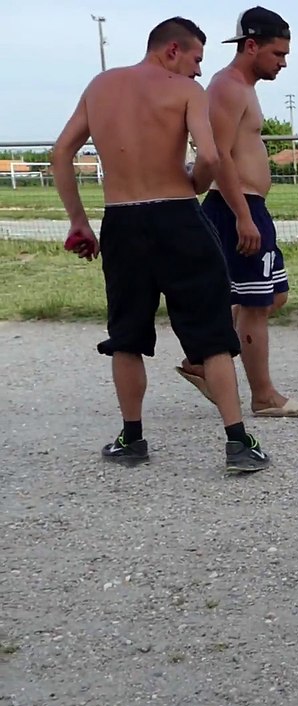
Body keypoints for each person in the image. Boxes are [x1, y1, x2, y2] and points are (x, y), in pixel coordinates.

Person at [50, 16, 270, 472]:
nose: (197, 72)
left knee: (126, 335)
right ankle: (237, 444)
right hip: (177, 217)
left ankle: (132, 439)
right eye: (196, 60)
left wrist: (79, 222)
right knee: (211, 334)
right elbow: (210, 155)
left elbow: (61, 153)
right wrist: (193, 181)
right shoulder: (186, 91)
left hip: (121, 221)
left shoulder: (100, 86)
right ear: (172, 50)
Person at [174, 6, 298, 418]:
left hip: (252, 206)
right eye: (277, 54)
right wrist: (242, 215)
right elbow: (217, 154)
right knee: (255, 304)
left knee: (274, 296)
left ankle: (207, 357)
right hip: (235, 207)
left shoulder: (244, 87)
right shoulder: (227, 86)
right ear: (251, 46)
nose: (284, 63)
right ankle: (264, 395)